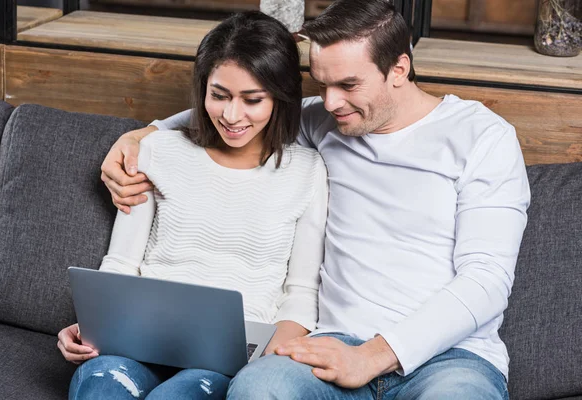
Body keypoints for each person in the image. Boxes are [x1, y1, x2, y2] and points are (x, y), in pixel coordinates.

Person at [101, 1, 531, 399]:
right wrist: (143, 135)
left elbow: (487, 281)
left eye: (347, 84)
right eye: (321, 84)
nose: (330, 102)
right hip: (329, 343)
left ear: (399, 68)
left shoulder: (482, 137)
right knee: (258, 389)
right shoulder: (327, 122)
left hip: (449, 358)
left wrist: (374, 356)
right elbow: (241, 111)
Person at [57, 11, 328, 400]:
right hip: (135, 341)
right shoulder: (155, 150)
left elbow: (301, 295)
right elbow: (119, 266)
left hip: (226, 360)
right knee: (102, 385)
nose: (232, 116)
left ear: (281, 97)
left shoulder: (307, 171)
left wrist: (267, 358)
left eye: (252, 100)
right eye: (219, 96)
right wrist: (89, 327)